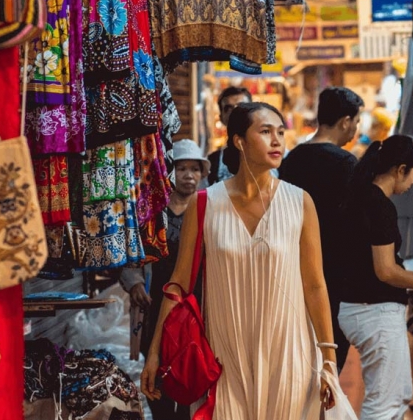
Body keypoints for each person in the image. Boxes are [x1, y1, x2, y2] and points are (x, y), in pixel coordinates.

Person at [142, 102, 338, 419]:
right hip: (223, 356)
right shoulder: (205, 203)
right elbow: (177, 285)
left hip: (289, 352)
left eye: (280, 132)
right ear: (239, 141)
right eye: (265, 132)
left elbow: (315, 285)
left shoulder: (300, 202)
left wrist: (328, 357)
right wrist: (154, 354)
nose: (277, 141)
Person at [336, 135, 413, 420]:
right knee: (385, 403)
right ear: (399, 170)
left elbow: (372, 263)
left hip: (359, 308)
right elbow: (384, 271)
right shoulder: (379, 205)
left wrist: (411, 275)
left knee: (396, 394)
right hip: (373, 312)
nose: (412, 183)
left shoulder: (360, 197)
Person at [120, 139, 208, 420]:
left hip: (193, 305)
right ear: (170, 172)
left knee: (189, 367)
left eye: (195, 169)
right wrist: (134, 283)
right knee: (156, 368)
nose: (189, 176)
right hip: (155, 302)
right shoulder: (153, 213)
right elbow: (132, 250)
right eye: (182, 169)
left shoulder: (209, 211)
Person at [279, 86, 363, 370]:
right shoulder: (346, 163)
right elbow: (355, 223)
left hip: (294, 266)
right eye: (356, 121)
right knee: (329, 353)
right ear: (345, 122)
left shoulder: (291, 159)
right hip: (334, 273)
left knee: (299, 351)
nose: (356, 129)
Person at [207, 86, 252, 184]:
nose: (234, 112)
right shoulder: (212, 162)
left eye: (241, 106)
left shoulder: (273, 154)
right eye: (228, 108)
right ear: (221, 117)